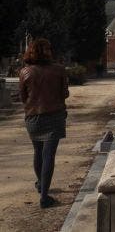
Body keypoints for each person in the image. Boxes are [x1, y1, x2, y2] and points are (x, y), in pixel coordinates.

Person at [19, 38, 69, 208]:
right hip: (54, 115)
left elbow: (23, 98)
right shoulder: (59, 70)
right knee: (49, 155)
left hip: (33, 117)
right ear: (48, 52)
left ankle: (41, 184)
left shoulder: (25, 72)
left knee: (37, 151)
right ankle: (44, 197)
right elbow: (65, 94)